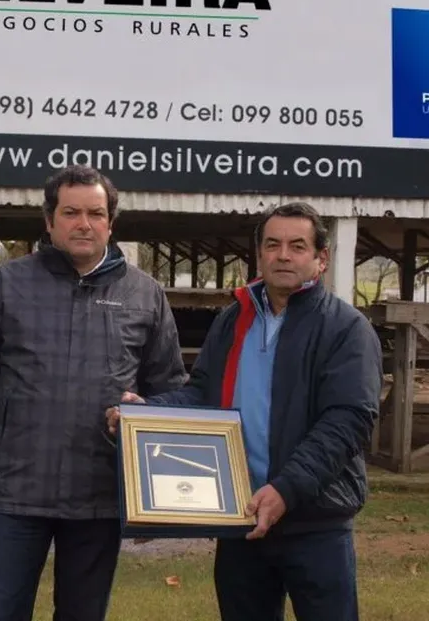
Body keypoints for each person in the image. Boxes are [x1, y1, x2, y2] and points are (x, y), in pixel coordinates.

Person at [106, 202, 382, 621]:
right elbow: (202, 395)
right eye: (272, 244)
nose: (283, 255)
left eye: (297, 245)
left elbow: (347, 421)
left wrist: (286, 490)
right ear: (259, 255)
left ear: (320, 259)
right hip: (241, 518)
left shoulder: (346, 328)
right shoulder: (234, 319)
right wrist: (146, 412)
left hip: (315, 522)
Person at [0, 164, 188, 621]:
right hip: (14, 497)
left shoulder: (144, 295)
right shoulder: (5, 286)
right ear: (49, 220)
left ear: (111, 223)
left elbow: (170, 393)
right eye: (71, 212)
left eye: (95, 213)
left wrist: (156, 501)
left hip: (99, 498)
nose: (84, 223)